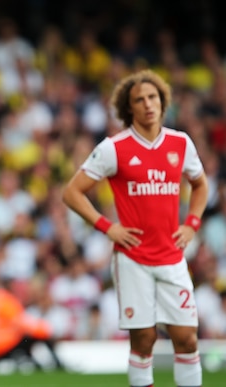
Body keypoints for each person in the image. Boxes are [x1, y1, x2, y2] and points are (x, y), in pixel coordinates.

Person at [62, 69, 208, 387]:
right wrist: (107, 226)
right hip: (133, 259)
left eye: (152, 97)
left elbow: (200, 184)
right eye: (139, 100)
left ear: (162, 100)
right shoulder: (114, 148)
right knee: (144, 340)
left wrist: (192, 224)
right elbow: (72, 192)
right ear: (129, 109)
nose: (147, 104)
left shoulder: (180, 143)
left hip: (172, 257)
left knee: (187, 339)